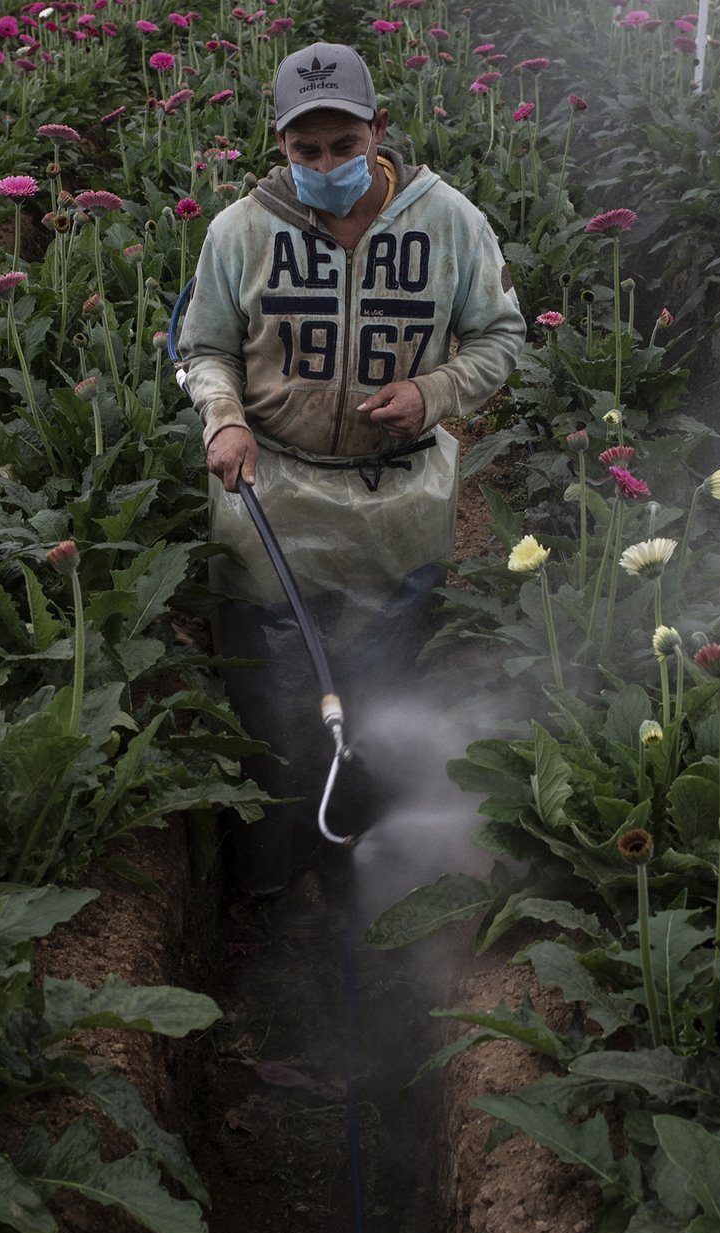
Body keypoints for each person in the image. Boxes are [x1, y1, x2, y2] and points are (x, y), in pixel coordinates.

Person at [177, 40, 526, 895]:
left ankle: (363, 879)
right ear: (281, 144)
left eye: (343, 146)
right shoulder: (241, 231)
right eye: (306, 151)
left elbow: (500, 338)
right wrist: (224, 420)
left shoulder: (449, 223)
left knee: (378, 692)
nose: (326, 165)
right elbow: (204, 348)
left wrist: (435, 392)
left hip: (400, 502)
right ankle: (268, 885)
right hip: (273, 501)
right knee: (274, 708)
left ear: (377, 130)